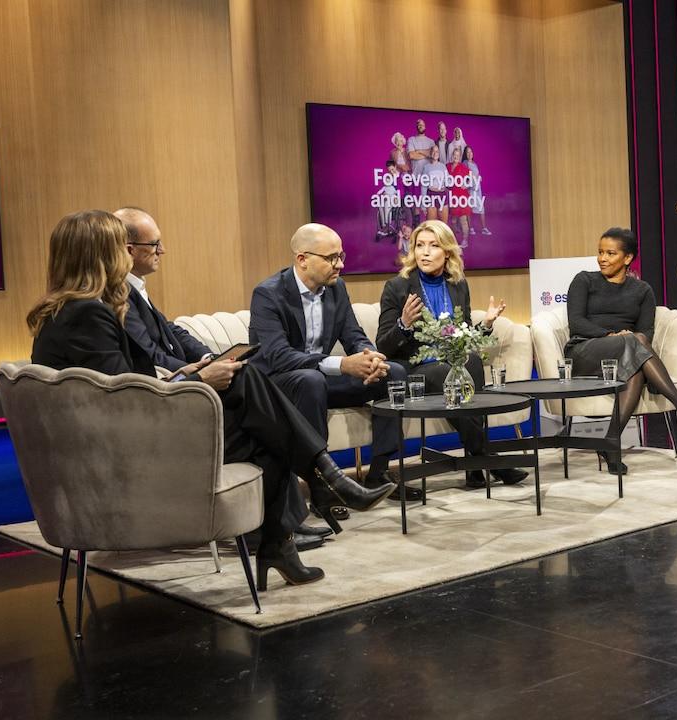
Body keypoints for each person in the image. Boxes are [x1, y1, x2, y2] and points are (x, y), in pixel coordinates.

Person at [28, 211, 395, 590]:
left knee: (259, 412)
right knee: (261, 415)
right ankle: (319, 488)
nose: (126, 255)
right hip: (126, 449)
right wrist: (199, 377)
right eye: (118, 248)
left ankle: (286, 531)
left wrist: (197, 372)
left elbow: (131, 382)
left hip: (136, 430)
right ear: (98, 255)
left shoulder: (78, 310)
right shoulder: (86, 315)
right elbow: (127, 396)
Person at [113, 207, 339, 552]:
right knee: (262, 408)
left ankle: (288, 520)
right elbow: (150, 358)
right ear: (129, 249)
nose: (162, 251)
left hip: (179, 392)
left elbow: (171, 331)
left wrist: (207, 358)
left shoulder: (135, 289)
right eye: (155, 244)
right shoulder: (114, 299)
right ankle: (316, 487)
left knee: (255, 398)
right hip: (164, 406)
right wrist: (199, 373)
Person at [249, 223, 422, 501]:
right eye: (331, 258)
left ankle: (379, 472)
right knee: (310, 380)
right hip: (281, 385)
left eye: (341, 256)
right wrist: (342, 365)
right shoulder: (268, 294)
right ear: (302, 260)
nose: (340, 264)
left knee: (394, 373)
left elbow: (353, 335)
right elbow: (278, 356)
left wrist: (369, 357)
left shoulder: (336, 288)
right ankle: (322, 487)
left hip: (321, 380)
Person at [375, 220, 527, 488]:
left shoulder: (457, 284)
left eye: (433, 246)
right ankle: (487, 458)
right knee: (448, 372)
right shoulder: (397, 287)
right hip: (416, 369)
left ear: (447, 252)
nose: (424, 252)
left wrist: (487, 325)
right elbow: (383, 346)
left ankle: (474, 466)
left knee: (472, 362)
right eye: (419, 245)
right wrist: (404, 324)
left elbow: (463, 335)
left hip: (450, 362)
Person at [565, 227, 677, 474]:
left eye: (610, 253)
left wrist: (629, 340)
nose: (602, 258)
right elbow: (577, 322)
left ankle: (611, 442)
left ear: (628, 258)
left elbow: (647, 333)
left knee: (637, 356)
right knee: (634, 343)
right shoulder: (584, 280)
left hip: (624, 356)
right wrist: (611, 336)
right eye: (600, 252)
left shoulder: (642, 290)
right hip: (584, 351)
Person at [446, 147, 472, 247]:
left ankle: (465, 240)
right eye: (454, 155)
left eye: (458, 155)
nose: (455, 157)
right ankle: (454, 240)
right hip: (452, 197)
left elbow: (471, 178)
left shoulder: (463, 167)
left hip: (462, 196)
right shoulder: (447, 166)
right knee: (452, 220)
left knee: (463, 220)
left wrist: (467, 185)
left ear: (460, 156)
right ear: (452, 156)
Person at [463, 146, 490, 236]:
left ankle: (484, 228)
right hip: (470, 189)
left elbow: (477, 175)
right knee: (469, 209)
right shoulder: (465, 163)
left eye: (471, 152)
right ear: (465, 154)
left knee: (481, 209)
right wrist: (471, 181)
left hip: (478, 189)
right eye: (467, 152)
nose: (469, 154)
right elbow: (465, 177)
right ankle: (470, 228)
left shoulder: (474, 163)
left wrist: (479, 178)